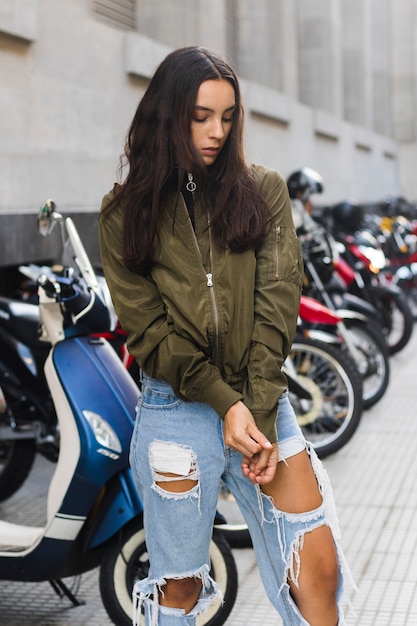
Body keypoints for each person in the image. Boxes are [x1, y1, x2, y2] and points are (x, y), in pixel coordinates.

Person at [99, 46, 352, 626]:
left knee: (315, 568)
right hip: (176, 412)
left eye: (228, 116)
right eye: (201, 116)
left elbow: (278, 302)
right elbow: (152, 333)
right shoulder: (123, 214)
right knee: (181, 590)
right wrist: (225, 405)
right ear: (168, 116)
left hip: (263, 404)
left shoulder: (262, 190)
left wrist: (253, 407)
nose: (217, 131)